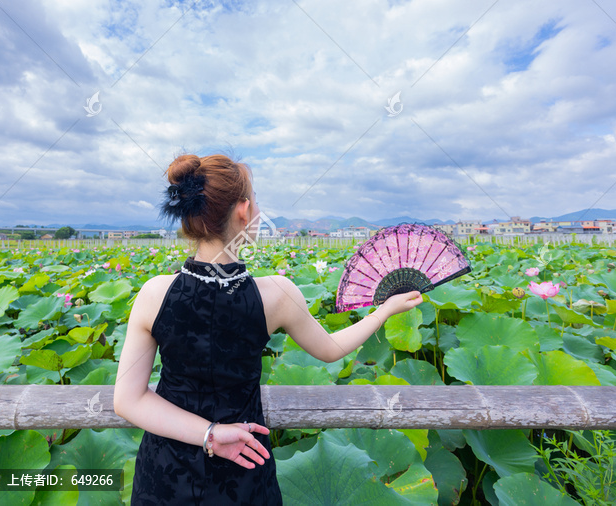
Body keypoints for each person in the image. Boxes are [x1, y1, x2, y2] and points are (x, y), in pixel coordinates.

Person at [113, 153, 424, 505]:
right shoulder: (277, 294)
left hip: (164, 472)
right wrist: (382, 312)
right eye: (256, 199)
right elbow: (331, 350)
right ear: (243, 210)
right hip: (245, 471)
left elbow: (128, 400)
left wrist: (210, 435)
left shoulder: (154, 293)